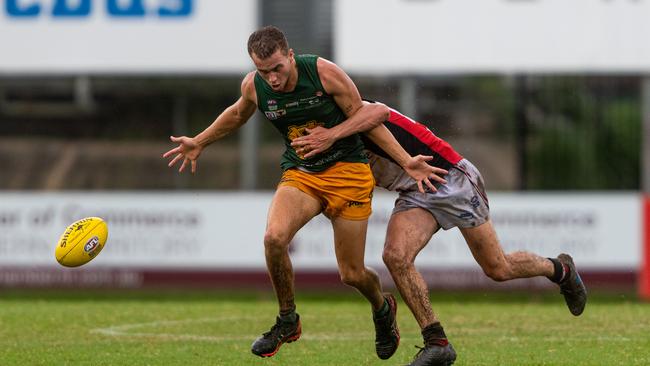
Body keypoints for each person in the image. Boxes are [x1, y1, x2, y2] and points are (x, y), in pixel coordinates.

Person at [162, 26, 447, 360]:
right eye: (262, 71)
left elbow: (368, 118)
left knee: (352, 274)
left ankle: (382, 308)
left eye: (277, 68)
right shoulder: (254, 85)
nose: (272, 78)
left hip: (349, 173)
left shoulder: (324, 74)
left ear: (290, 56)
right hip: (302, 173)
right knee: (273, 238)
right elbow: (239, 113)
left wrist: (405, 160)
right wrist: (199, 141)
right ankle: (287, 319)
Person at [291, 100, 588, 366]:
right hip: (414, 191)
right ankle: (437, 341)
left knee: (498, 268)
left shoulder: (349, 112)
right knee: (395, 256)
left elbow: (379, 111)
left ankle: (560, 269)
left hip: (450, 178)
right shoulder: (315, 135)